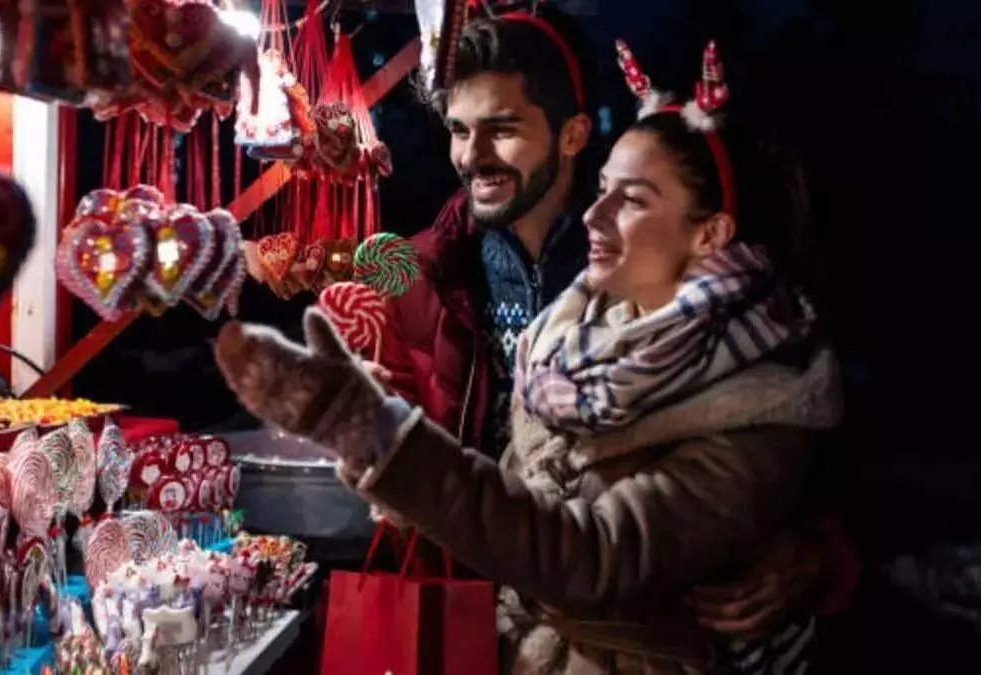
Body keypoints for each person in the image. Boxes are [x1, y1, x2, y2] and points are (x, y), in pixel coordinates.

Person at [215, 37, 846, 674]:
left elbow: (790, 466)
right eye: (459, 131)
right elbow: (464, 482)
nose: (472, 155)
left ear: (572, 135)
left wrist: (820, 552)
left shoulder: (635, 275)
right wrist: (372, 438)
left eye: (502, 129)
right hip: (478, 625)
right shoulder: (423, 279)